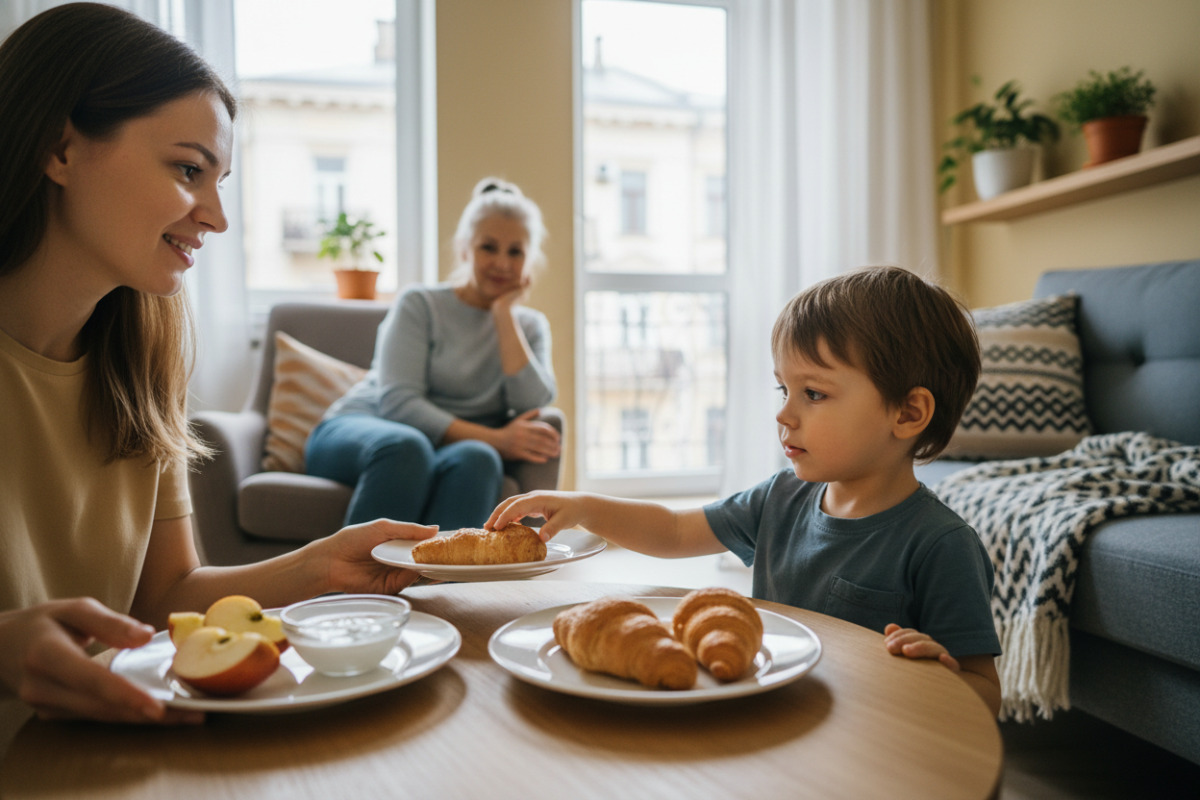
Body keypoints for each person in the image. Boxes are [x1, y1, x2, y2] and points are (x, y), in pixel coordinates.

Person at [0, 3, 436, 740]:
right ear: (60, 148)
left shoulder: (137, 365)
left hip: (110, 754)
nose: (215, 217)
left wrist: (321, 568)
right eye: (187, 169)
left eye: (219, 180)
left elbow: (163, 595)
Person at [488, 266, 1002, 716]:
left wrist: (940, 675)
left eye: (814, 393)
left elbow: (985, 691)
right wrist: (583, 507)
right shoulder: (781, 497)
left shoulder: (941, 544)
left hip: (870, 744)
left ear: (908, 413)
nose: (784, 413)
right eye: (785, 389)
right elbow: (673, 532)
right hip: (775, 716)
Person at [305, 178, 560, 530]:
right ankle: (352, 585)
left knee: (480, 458)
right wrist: (498, 439)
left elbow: (533, 400)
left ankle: (442, 584)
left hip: (436, 450)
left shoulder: (528, 326)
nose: (502, 262)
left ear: (529, 260)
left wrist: (503, 314)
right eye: (489, 247)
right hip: (363, 430)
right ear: (464, 249)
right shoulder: (420, 305)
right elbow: (398, 403)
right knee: (408, 448)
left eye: (515, 252)